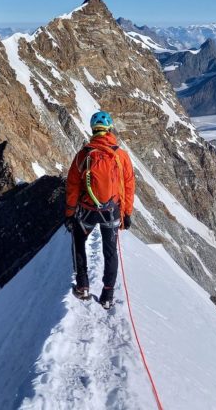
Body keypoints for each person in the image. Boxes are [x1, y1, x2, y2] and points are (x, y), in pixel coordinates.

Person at [65, 111, 135, 309]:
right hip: (111, 211)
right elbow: (129, 186)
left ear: (93, 130)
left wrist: (70, 214)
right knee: (110, 251)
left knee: (78, 241)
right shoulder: (120, 156)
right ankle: (107, 295)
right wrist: (126, 213)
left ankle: (83, 286)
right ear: (109, 129)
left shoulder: (83, 155)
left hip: (87, 210)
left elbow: (72, 186)